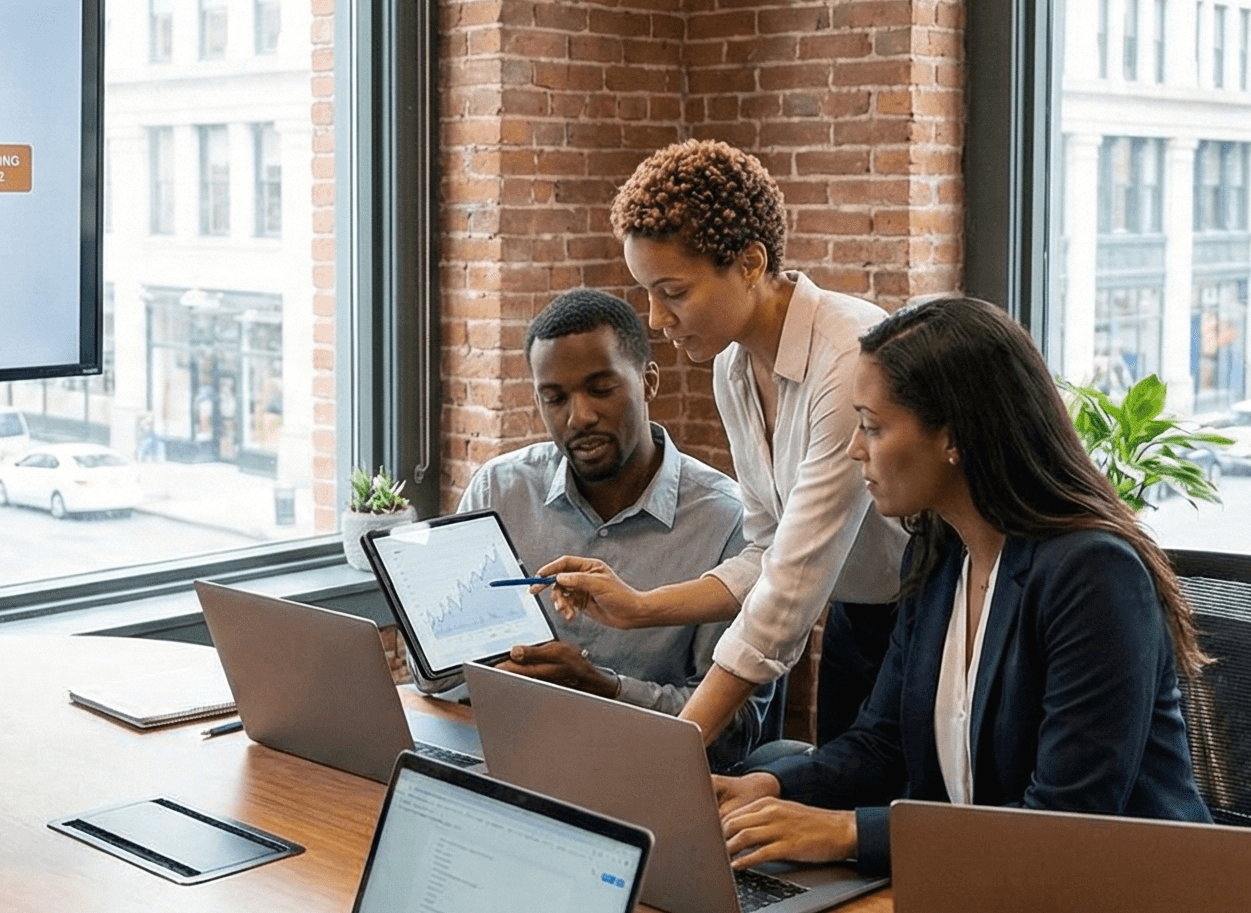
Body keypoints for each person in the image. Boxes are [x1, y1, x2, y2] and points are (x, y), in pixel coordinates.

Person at [711, 296, 1211, 876]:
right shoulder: (939, 552)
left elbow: (1065, 823)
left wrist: (847, 832)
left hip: (1126, 908)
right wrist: (769, 785)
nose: (855, 450)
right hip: (977, 892)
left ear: (955, 439)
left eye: (872, 428)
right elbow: (884, 742)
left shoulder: (1093, 576)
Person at [537, 141, 909, 749]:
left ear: (750, 263)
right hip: (855, 615)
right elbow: (766, 549)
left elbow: (790, 588)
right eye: (647, 293)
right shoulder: (732, 367)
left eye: (674, 292)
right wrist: (638, 607)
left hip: (924, 610)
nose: (656, 319)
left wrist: (678, 746)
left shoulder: (847, 357)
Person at [461, 289, 767, 768]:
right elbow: (438, 668)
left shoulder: (728, 521)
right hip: (508, 753)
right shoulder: (497, 491)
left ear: (649, 382)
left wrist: (601, 687)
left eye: (601, 389)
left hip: (643, 772)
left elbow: (736, 734)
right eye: (555, 398)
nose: (579, 417)